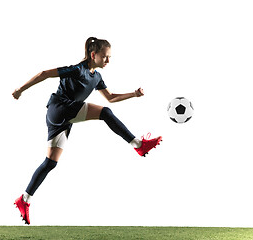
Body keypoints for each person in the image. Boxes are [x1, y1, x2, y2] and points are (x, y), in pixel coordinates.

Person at [12, 37, 162, 225]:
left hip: (64, 118)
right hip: (59, 109)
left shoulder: (96, 77)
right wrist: (20, 89)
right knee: (105, 113)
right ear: (93, 55)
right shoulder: (77, 70)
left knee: (50, 163)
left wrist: (133, 94)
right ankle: (138, 145)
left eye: (109, 57)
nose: (108, 60)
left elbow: (110, 97)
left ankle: (24, 199)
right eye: (105, 57)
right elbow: (44, 73)